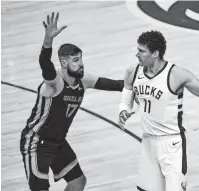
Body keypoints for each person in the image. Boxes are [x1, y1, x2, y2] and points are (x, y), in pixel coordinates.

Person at [118, 30, 199, 191]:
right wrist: (124, 108)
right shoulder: (133, 71)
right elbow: (127, 89)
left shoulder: (177, 75)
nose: (136, 54)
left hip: (172, 144)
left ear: (155, 53)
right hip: (147, 142)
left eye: (141, 51)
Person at [20, 12, 124, 191]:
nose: (81, 63)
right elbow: (45, 63)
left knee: (78, 182)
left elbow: (116, 85)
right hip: (37, 142)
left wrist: (143, 82)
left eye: (81, 58)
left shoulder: (84, 80)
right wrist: (48, 41)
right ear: (64, 63)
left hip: (58, 142)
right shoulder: (54, 82)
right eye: (75, 60)